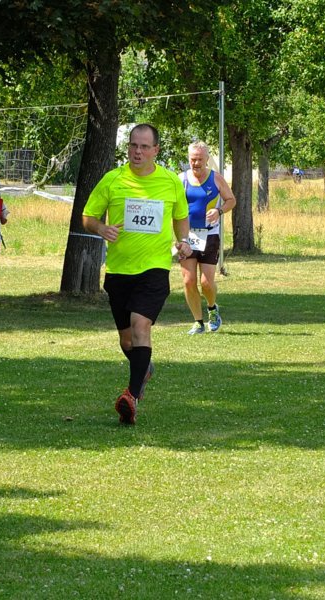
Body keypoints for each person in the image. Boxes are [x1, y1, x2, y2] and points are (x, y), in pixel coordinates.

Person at [82, 123, 191, 425]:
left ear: (156, 150)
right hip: (118, 270)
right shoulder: (112, 180)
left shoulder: (170, 182)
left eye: (144, 147)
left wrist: (183, 242)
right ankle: (143, 369)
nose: (137, 152)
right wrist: (101, 228)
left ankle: (130, 397)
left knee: (140, 325)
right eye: (133, 146)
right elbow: (88, 217)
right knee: (127, 342)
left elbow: (181, 218)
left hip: (154, 269)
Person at [179, 141, 237, 335]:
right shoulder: (181, 179)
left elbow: (231, 200)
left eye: (199, 160)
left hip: (210, 234)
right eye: (192, 159)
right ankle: (198, 322)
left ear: (207, 159)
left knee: (205, 282)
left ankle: (212, 309)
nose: (195, 163)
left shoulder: (216, 178)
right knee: (188, 281)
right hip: (187, 235)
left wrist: (218, 210)